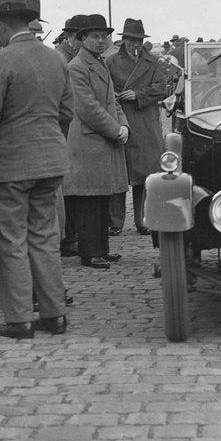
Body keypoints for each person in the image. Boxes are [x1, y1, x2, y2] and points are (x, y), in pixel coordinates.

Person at [0, 0, 73, 339]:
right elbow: (67, 111)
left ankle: (19, 319)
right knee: (45, 237)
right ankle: (54, 314)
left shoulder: (0, 61)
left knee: (11, 240)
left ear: (2, 27)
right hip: (50, 161)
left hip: (10, 165)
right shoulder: (56, 59)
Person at [65, 14, 128, 269]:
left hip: (101, 141)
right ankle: (90, 252)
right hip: (89, 142)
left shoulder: (98, 62)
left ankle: (101, 249)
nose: (101, 41)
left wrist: (124, 125)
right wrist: (116, 130)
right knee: (89, 201)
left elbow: (112, 100)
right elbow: (87, 108)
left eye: (104, 36)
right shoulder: (78, 66)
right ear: (83, 39)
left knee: (102, 198)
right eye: (95, 37)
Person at [105, 19, 168, 236]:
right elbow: (104, 87)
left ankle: (143, 219)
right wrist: (115, 96)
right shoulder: (111, 61)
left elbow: (162, 88)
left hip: (145, 122)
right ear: (124, 40)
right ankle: (115, 222)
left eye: (139, 40)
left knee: (145, 173)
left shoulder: (153, 62)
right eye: (132, 39)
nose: (136, 44)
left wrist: (138, 94)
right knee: (119, 173)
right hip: (121, 118)